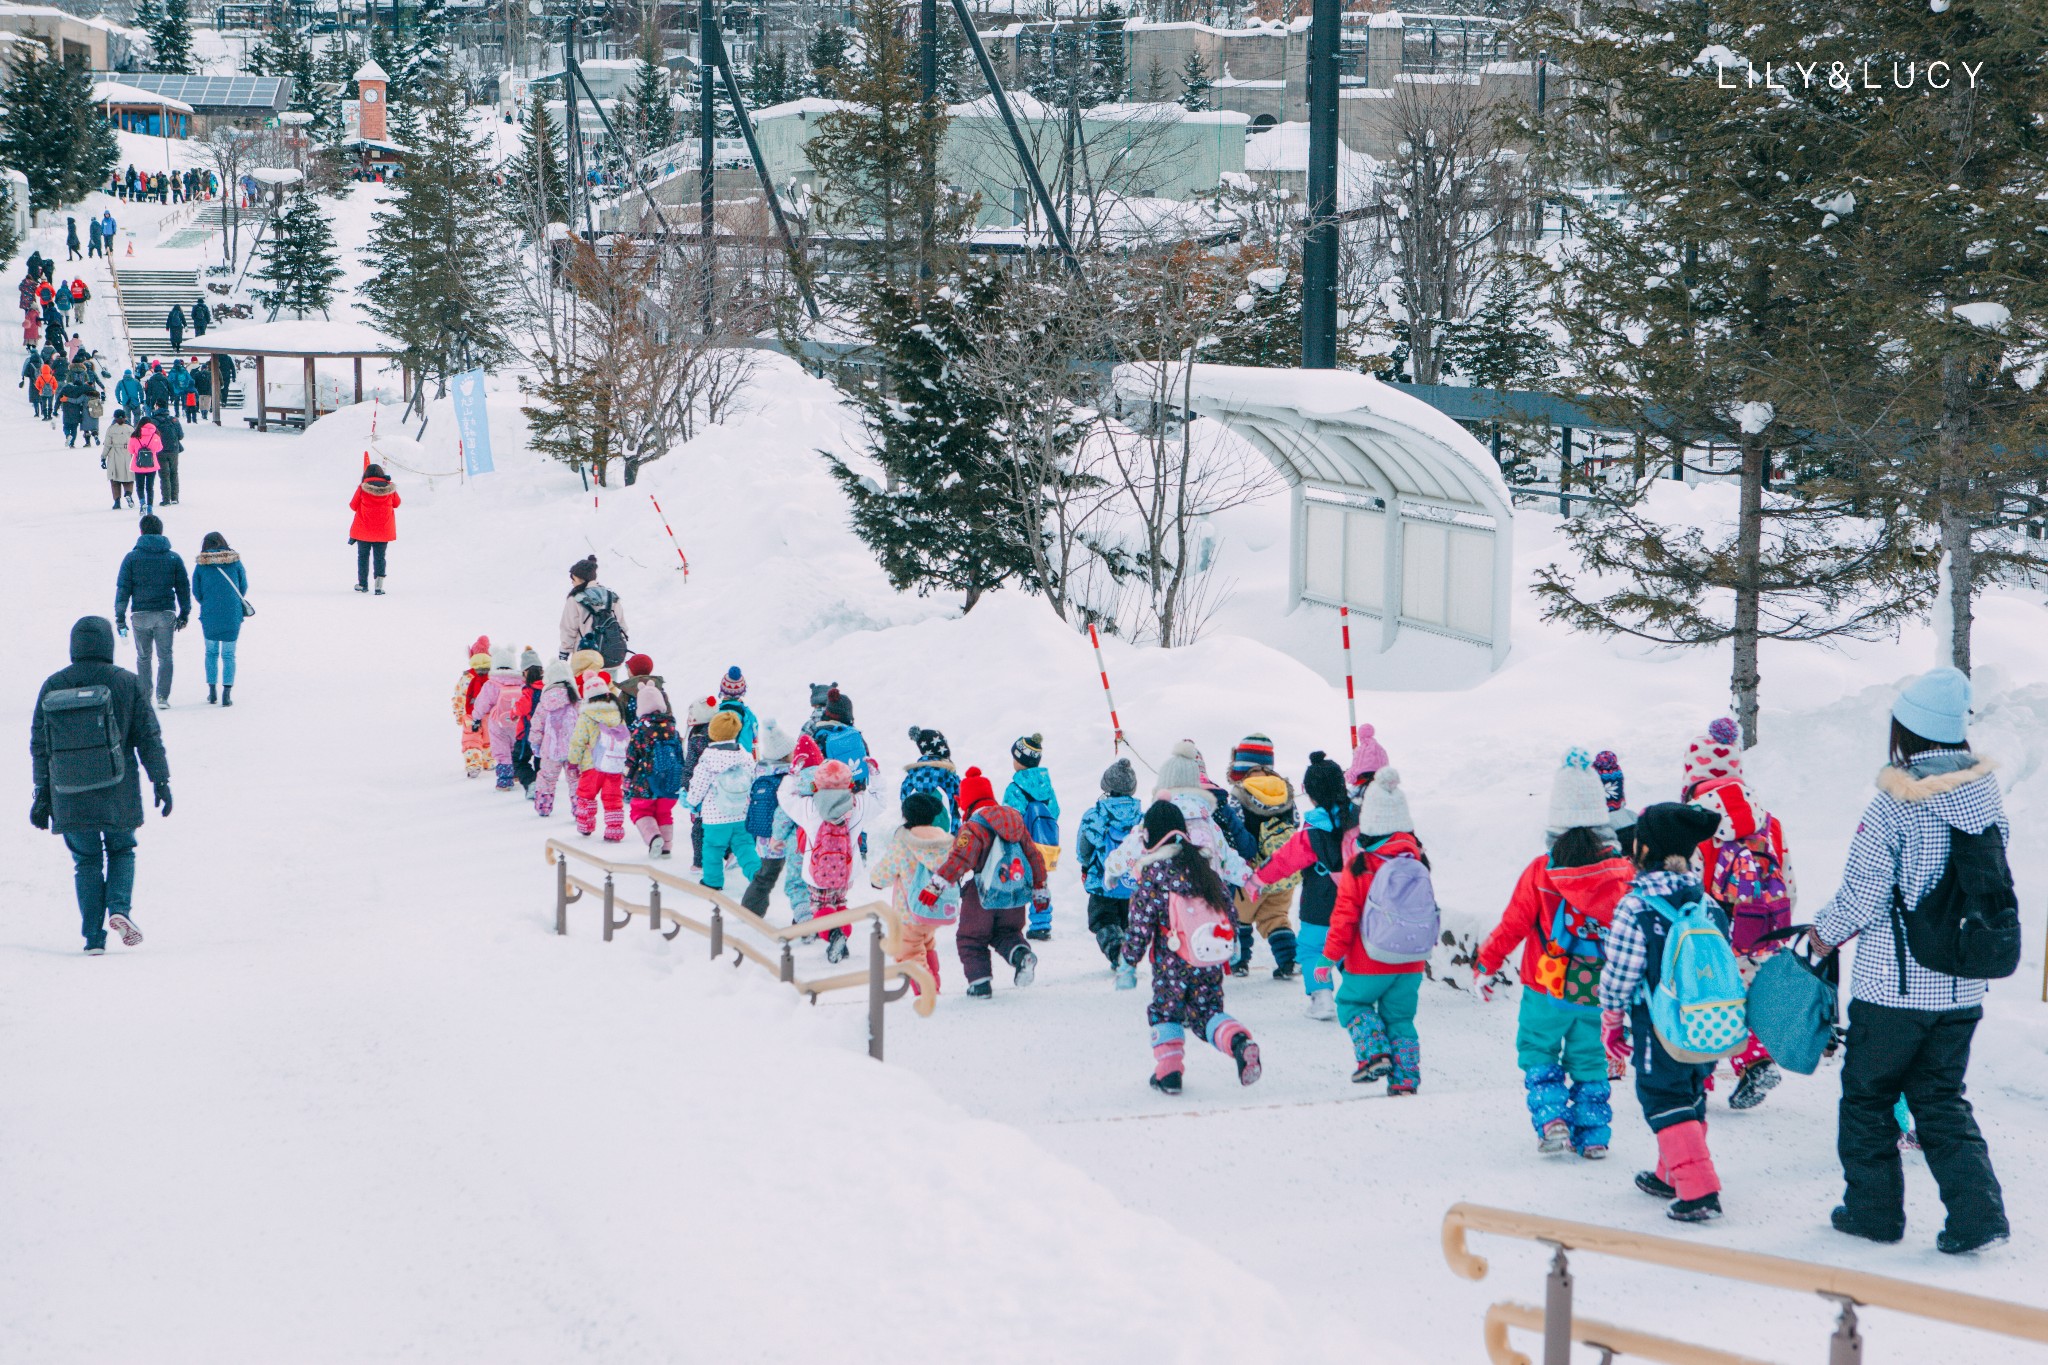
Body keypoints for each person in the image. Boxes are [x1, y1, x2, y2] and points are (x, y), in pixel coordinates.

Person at [1816, 668, 2011, 1255]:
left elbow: (1863, 894)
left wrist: (1824, 937)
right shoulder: (1988, 801)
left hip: (1893, 990)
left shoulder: (1893, 806)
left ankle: (1873, 1214)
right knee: (1941, 1098)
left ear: (1910, 731)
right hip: (1962, 988)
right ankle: (1978, 1216)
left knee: (1868, 1097)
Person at [1475, 750, 1635, 1158]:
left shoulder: (1540, 871)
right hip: (1600, 992)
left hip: (1545, 988)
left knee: (1538, 1052)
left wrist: (1486, 966)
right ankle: (1595, 1136)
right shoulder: (1622, 874)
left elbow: (1512, 925)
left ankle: (1553, 1121)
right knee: (1590, 1060)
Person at [1599, 801, 1732, 1224]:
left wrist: (1612, 1019)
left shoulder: (1636, 907)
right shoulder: (1706, 903)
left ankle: (1699, 1190)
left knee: (1662, 1097)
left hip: (1659, 1023)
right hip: (1706, 1021)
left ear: (1642, 850)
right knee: (1690, 1094)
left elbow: (1621, 972)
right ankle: (1671, 1172)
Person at [30, 616, 172, 953]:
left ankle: (93, 939)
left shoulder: (53, 685)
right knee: (122, 849)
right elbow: (148, 738)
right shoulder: (127, 682)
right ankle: (119, 909)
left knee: (87, 861)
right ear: (108, 643)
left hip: (68, 792)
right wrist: (161, 780)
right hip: (117, 790)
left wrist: (41, 795)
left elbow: (40, 746)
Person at [1120, 799, 1262, 1095]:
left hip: (1171, 963)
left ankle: (1169, 1073)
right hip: (1208, 957)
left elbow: (1140, 924)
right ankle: (1238, 1041)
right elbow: (1227, 908)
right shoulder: (1203, 867)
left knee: (1166, 1012)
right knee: (1208, 1011)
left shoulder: (1154, 874)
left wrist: (1128, 963)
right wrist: (1232, 940)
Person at [1324, 770, 1432, 1094]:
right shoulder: (1419, 860)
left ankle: (1374, 1056)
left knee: (1352, 1004)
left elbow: (1344, 917)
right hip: (1412, 960)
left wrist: (1327, 957)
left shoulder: (1360, 864)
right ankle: (1406, 1079)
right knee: (1400, 1018)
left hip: (1369, 959)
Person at [921, 766, 1047, 997]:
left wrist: (936, 884)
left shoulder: (973, 827)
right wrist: (1040, 888)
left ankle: (979, 984)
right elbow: (1034, 856)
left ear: (964, 802)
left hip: (983, 895)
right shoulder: (1015, 820)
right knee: (1008, 933)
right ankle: (1021, 955)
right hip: (1015, 893)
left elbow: (960, 859)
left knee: (970, 938)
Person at [778, 756, 885, 963]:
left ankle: (834, 934)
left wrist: (793, 774)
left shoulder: (809, 807)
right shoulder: (859, 806)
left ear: (817, 783)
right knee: (840, 903)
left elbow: (785, 797)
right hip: (846, 871)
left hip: (817, 872)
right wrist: (875, 774)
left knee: (820, 906)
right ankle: (842, 935)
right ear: (849, 783)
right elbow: (881, 800)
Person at [1227, 734, 1301, 979]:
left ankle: (1238, 964)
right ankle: (1289, 962)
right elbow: (1296, 823)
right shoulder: (1286, 792)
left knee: (1240, 918)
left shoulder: (1238, 794)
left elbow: (1233, 830)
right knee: (1277, 918)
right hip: (1284, 871)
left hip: (1251, 873)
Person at [869, 790, 956, 995]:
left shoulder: (904, 842)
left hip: (910, 911)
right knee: (926, 945)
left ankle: (927, 992)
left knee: (908, 951)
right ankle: (934, 985)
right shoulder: (944, 841)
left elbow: (887, 869)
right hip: (935, 910)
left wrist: (876, 881)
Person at [113, 515, 191, 710]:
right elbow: (183, 587)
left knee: (143, 656)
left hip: (140, 614)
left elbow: (123, 589)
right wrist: (185, 612)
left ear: (141, 532)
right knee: (165, 656)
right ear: (161, 532)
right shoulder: (173, 557)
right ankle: (163, 697)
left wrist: (120, 617)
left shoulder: (131, 558)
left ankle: (145, 697)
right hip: (165, 613)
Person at [1075, 757, 1144, 966]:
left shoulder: (1095, 815)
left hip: (1103, 881)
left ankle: (1118, 953)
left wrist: (1085, 865)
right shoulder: (1140, 816)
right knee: (1126, 920)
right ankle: (1126, 950)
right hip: (1131, 881)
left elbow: (1084, 847)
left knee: (1103, 920)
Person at [686, 708, 760, 883]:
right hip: (742, 813)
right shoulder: (745, 756)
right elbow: (753, 780)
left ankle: (713, 881)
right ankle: (757, 878)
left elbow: (699, 785)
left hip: (715, 816)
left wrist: (692, 801)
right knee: (745, 847)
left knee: (712, 848)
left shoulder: (708, 758)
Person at [1004, 733, 1061, 940]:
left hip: (1022, 845)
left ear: (1020, 760)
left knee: (1016, 881)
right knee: (1041, 881)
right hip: (1045, 844)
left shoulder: (1015, 788)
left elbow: (1010, 818)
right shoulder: (1047, 786)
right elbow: (1055, 812)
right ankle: (1041, 924)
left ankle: (1010, 923)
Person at [567, 670, 630, 842]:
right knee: (613, 797)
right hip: (614, 764)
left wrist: (573, 762)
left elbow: (578, 741)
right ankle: (614, 829)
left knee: (586, 795)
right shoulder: (617, 713)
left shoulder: (586, 716)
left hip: (592, 765)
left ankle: (585, 826)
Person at [622, 679, 684, 854]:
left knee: (640, 811)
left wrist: (626, 780)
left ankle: (653, 838)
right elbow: (681, 756)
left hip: (645, 784)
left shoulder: (641, 730)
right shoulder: (673, 729)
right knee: (664, 813)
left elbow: (631, 759)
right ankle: (666, 847)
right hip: (670, 781)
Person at [191, 531, 249, 706]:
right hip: (232, 613)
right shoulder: (235, 562)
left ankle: (212, 691)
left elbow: (196, 591)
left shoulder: (201, 565)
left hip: (210, 613)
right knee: (229, 654)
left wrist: (208, 602)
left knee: (211, 652)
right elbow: (243, 586)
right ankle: (227, 694)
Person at [526, 659, 580, 816]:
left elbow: (537, 724)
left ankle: (543, 806)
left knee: (547, 778)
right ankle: (580, 809)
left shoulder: (545, 700)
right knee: (576, 779)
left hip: (551, 749)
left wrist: (535, 744)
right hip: (574, 750)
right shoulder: (575, 699)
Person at [558, 555, 629, 666]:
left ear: (582, 579)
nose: (572, 582)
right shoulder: (611, 597)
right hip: (611, 656)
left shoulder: (575, 599)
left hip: (586, 659)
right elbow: (622, 626)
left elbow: (568, 629)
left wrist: (564, 653)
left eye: (574, 579)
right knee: (609, 683)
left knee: (589, 683)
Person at [349, 463, 400, 593]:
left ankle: (363, 584)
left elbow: (353, 506)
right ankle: (378, 586)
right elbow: (397, 503)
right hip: (383, 530)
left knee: (363, 556)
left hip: (364, 530)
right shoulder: (389, 488)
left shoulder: (362, 488)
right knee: (380, 557)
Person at [900, 726, 960, 827]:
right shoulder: (948, 775)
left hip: (918, 834)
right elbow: (959, 801)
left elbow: (904, 800)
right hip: (947, 835)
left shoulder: (911, 776)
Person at [452, 636, 494, 778]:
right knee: (489, 740)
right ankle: (488, 762)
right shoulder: (493, 676)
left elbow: (459, 698)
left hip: (470, 716)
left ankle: (473, 765)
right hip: (489, 715)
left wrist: (459, 715)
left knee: (471, 740)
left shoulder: (466, 678)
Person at [128, 414, 163, 513]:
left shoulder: (135, 435)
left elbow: (131, 450)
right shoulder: (155, 435)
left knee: (140, 486)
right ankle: (150, 508)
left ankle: (142, 502)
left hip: (138, 465)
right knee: (150, 487)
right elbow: (159, 448)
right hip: (152, 465)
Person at [151, 404, 184, 505]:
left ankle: (166, 499)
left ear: (156, 407)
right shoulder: (173, 420)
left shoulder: (153, 421)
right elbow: (181, 436)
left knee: (164, 475)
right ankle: (175, 498)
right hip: (174, 450)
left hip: (160, 451)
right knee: (174, 473)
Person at [104, 409, 136, 509]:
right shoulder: (131, 429)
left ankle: (117, 501)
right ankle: (128, 493)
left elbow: (107, 445)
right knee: (128, 477)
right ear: (125, 417)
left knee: (114, 479)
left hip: (114, 454)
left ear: (115, 417)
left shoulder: (111, 429)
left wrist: (103, 457)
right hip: (128, 454)